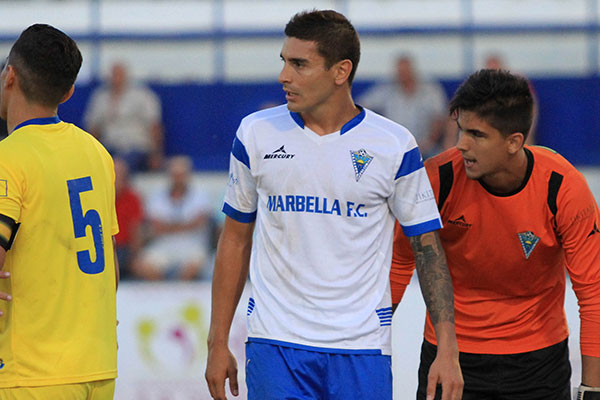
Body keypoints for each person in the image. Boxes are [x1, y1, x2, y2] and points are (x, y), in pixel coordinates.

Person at [205, 10, 463, 400]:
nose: (283, 77)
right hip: (275, 344)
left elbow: (427, 249)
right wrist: (217, 342)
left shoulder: (393, 144)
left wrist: (448, 347)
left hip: (362, 347)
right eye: (284, 62)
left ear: (341, 71)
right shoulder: (255, 133)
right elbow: (235, 239)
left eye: (299, 64)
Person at [391, 69, 600, 399]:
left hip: (540, 366)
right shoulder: (437, 180)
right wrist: (368, 348)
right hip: (450, 357)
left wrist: (593, 389)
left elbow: (594, 295)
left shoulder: (563, 188)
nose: (461, 144)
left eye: (477, 134)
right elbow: (399, 264)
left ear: (514, 142)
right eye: (461, 129)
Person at [0, 24, 118, 398]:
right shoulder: (96, 153)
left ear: (10, 76)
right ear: (68, 92)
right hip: (97, 370)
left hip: (31, 373)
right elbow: (110, 270)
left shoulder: (9, 158)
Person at [133, 155, 214, 280]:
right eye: (175, 175)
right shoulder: (157, 196)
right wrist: (187, 225)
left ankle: (180, 294)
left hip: (192, 244)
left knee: (194, 266)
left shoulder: (200, 195)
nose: (178, 179)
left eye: (181, 175)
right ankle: (162, 295)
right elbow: (156, 227)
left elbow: (200, 223)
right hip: (164, 245)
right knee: (141, 265)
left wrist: (168, 226)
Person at [358, 54, 450, 159]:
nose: (403, 75)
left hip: (426, 147)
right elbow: (362, 105)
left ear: (413, 70)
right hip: (393, 147)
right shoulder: (386, 89)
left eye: (405, 71)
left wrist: (427, 143)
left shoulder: (430, 90)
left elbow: (438, 119)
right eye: (400, 72)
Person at [84, 61, 164, 172]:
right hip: (109, 146)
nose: (116, 79)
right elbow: (93, 128)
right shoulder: (100, 97)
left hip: (136, 148)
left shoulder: (143, 95)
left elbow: (154, 126)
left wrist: (156, 154)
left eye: (119, 75)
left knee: (119, 166)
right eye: (114, 75)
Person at [484, 53, 539, 145]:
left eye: (495, 68)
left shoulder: (517, 81)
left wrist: (529, 125)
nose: (493, 71)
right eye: (490, 69)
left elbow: (531, 104)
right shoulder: (483, 85)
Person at [114, 157, 145, 280]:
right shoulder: (99, 197)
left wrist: (135, 256)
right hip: (104, 249)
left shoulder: (132, 198)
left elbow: (136, 230)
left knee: (144, 268)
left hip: (125, 249)